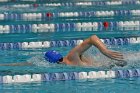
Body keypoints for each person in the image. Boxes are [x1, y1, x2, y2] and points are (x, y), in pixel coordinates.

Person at [0, 35, 126, 67]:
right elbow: (26, 64)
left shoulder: (71, 57)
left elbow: (92, 38)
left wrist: (105, 51)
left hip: (113, 65)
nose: (61, 61)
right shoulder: (67, 61)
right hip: (111, 66)